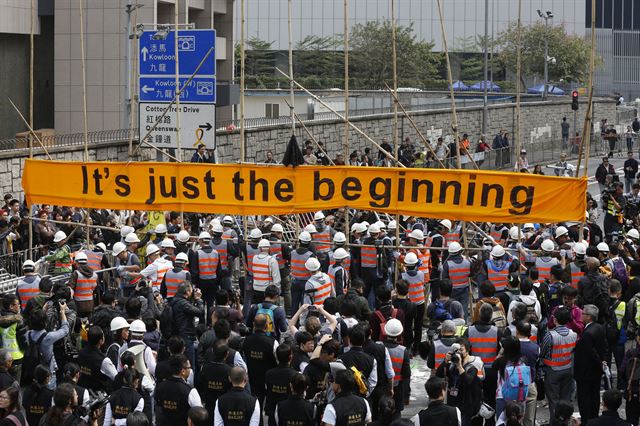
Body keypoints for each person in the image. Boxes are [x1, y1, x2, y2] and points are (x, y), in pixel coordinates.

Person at [541, 306, 577, 420]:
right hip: (567, 369)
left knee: (554, 400)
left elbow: (542, 352)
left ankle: (556, 422)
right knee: (565, 399)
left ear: (555, 319)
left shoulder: (550, 335)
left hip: (553, 370)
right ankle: (565, 421)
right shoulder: (573, 334)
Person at [574, 304, 608, 424]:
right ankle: (593, 419)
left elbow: (592, 354)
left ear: (588, 317)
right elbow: (604, 347)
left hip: (586, 372)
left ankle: (586, 421)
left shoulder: (588, 334)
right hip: (596, 371)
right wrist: (603, 363)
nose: (581, 315)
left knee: (584, 399)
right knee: (594, 397)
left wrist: (600, 362)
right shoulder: (599, 327)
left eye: (583, 313)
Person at [154, 354, 203, 426]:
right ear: (183, 371)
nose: (190, 370)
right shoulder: (190, 391)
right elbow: (199, 414)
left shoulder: (160, 387)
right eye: (189, 367)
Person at [77, 326, 118, 393]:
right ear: (101, 340)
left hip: (83, 390)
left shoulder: (81, 353)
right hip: (98, 395)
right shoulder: (104, 360)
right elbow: (116, 377)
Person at [264, 344, 296, 426]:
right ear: (290, 357)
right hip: (288, 412)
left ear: (276, 357)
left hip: (272, 409)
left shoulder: (269, 373)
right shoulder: (294, 375)